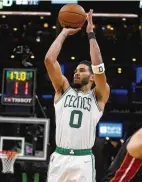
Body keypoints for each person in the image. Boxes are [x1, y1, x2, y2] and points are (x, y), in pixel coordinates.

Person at [45, 10, 110, 182]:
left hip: (83, 160)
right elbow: (49, 60)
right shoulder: (62, 89)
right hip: (60, 157)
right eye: (75, 71)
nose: (76, 73)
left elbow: (99, 67)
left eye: (81, 71)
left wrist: (90, 34)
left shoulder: (98, 96)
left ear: (92, 77)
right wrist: (64, 32)